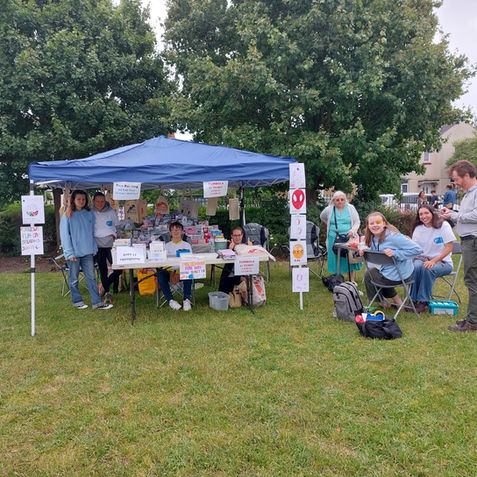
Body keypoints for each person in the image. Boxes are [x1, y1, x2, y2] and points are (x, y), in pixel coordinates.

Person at [60, 190, 113, 310]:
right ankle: (77, 301)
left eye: (83, 199)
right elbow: (64, 235)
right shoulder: (68, 214)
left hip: (88, 251)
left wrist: (94, 248)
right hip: (74, 253)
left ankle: (97, 303)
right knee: (73, 279)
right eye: (78, 199)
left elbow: (91, 232)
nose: (81, 201)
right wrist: (69, 253)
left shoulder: (89, 214)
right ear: (73, 200)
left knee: (92, 278)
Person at [441, 160, 477, 332]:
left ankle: (473, 322)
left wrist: (455, 216)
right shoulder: (469, 193)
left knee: (473, 280)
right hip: (468, 240)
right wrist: (453, 214)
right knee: (471, 280)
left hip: (473, 240)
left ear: (467, 175)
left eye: (456, 179)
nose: (455, 182)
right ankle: (472, 318)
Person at [360, 212, 422, 309]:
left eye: (378, 222)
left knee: (370, 275)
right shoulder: (373, 238)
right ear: (368, 226)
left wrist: (395, 253)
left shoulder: (394, 237)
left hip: (402, 275)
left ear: (384, 223)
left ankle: (380, 301)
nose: (375, 225)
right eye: (371, 223)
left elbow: (418, 250)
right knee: (376, 274)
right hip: (388, 272)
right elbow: (378, 252)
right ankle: (394, 301)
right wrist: (366, 251)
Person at [409, 205, 455, 313]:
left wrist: (433, 261)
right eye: (421, 214)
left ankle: (423, 301)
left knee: (427, 268)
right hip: (422, 258)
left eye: (426, 213)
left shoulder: (443, 225)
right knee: (416, 266)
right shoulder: (418, 228)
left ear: (432, 213)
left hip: (443, 262)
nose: (423, 216)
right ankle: (412, 300)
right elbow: (415, 248)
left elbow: (449, 248)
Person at [320, 191, 361, 282]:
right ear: (334, 201)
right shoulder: (329, 209)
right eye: (337, 200)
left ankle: (352, 279)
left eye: (342, 199)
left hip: (348, 237)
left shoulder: (351, 208)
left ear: (345, 200)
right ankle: (338, 278)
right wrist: (330, 225)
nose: (340, 201)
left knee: (349, 257)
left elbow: (357, 221)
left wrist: (353, 230)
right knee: (335, 257)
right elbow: (322, 217)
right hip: (333, 237)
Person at [91, 192, 122, 304]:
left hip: (111, 244)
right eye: (98, 201)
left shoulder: (111, 211)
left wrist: (118, 237)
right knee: (102, 270)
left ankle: (106, 285)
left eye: (102, 201)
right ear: (94, 202)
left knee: (119, 269)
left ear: (105, 201)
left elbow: (118, 226)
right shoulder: (90, 212)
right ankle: (107, 293)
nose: (100, 203)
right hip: (97, 245)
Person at [156, 221, 193, 311]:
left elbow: (190, 262)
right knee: (160, 274)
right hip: (169, 272)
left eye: (178, 230)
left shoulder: (187, 245)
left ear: (182, 232)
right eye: (173, 230)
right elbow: (162, 263)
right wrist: (172, 273)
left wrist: (179, 272)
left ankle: (186, 299)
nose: (176, 232)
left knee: (189, 272)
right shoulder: (166, 246)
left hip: (182, 271)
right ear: (170, 233)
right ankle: (170, 300)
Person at [218, 226, 252, 294]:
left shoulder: (246, 245)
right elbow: (219, 256)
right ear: (232, 236)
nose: (237, 237)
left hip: (242, 273)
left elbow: (252, 260)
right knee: (223, 292)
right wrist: (229, 250)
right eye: (235, 235)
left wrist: (250, 249)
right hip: (229, 273)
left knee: (245, 280)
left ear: (242, 235)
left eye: (239, 235)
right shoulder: (227, 244)